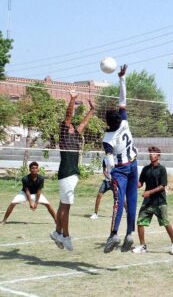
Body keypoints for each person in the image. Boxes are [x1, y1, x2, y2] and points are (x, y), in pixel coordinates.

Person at [50, 89, 95, 251]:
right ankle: (66, 236)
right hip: (66, 173)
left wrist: (92, 111)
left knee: (63, 205)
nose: (72, 126)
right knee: (66, 207)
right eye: (69, 125)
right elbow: (69, 116)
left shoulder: (75, 135)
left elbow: (83, 123)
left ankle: (57, 233)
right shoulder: (64, 132)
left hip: (72, 174)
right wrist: (73, 99)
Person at [102, 64, 138, 253]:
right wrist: (122, 78)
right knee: (132, 200)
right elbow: (123, 100)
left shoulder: (108, 138)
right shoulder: (124, 121)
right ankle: (130, 234)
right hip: (134, 164)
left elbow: (109, 161)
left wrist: (109, 175)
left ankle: (114, 234)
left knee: (118, 200)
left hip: (121, 169)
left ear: (108, 122)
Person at [132, 146, 173, 255]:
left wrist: (149, 192)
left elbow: (162, 186)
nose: (151, 155)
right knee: (140, 222)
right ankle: (143, 246)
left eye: (153, 153)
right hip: (148, 202)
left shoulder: (162, 169)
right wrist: (131, 185)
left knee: (165, 223)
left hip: (160, 202)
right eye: (150, 153)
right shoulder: (145, 169)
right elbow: (140, 183)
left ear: (158, 156)